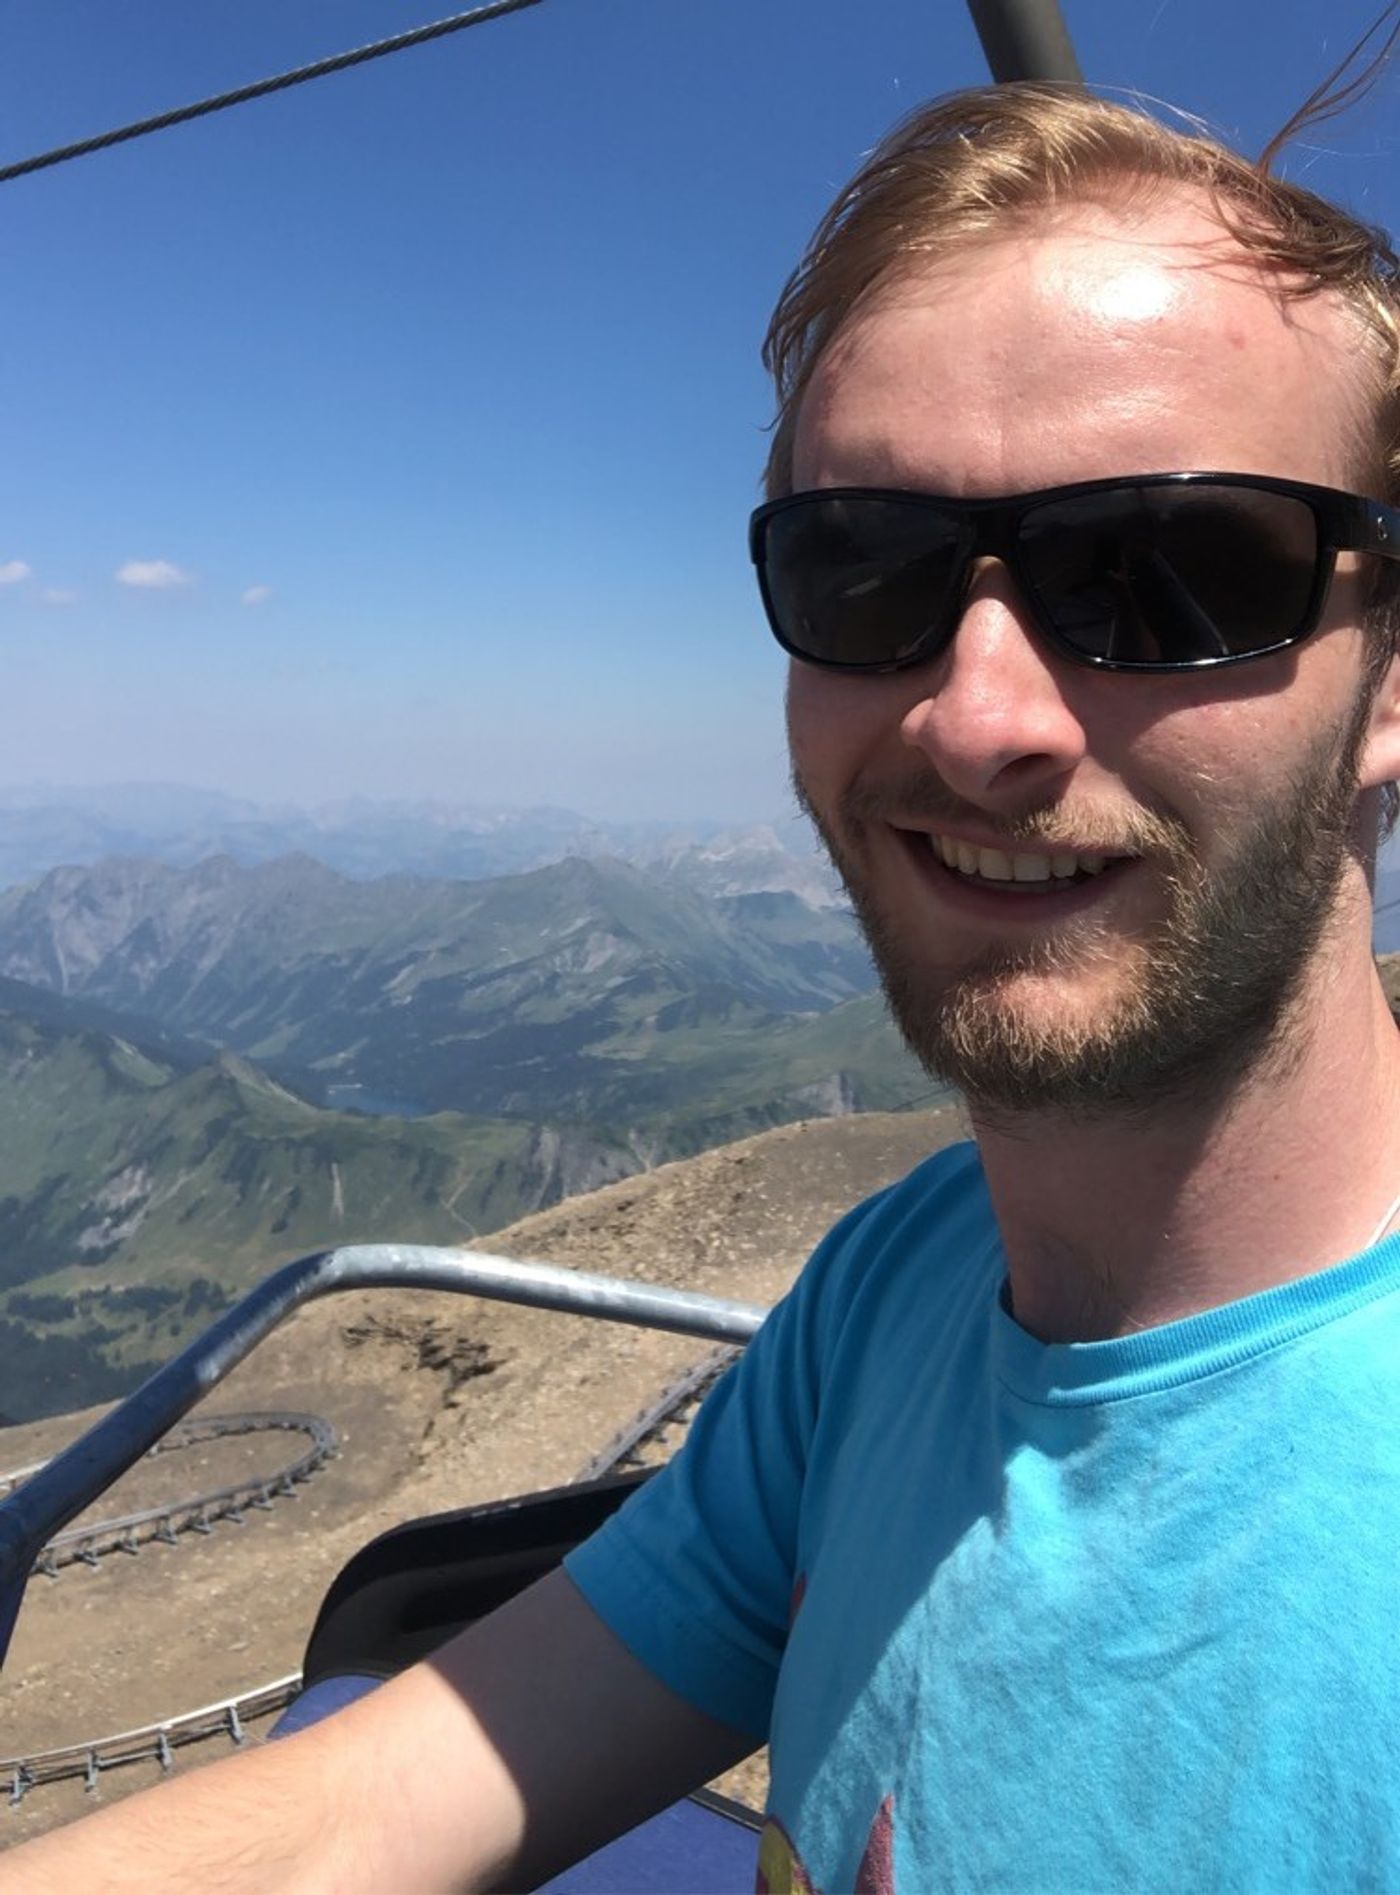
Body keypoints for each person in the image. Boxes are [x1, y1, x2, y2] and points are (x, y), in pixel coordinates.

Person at [13, 80, 1400, 1892]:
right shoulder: (897, 1291)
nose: (979, 715)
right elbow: (382, 1802)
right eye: (866, 567)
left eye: (1168, 577)